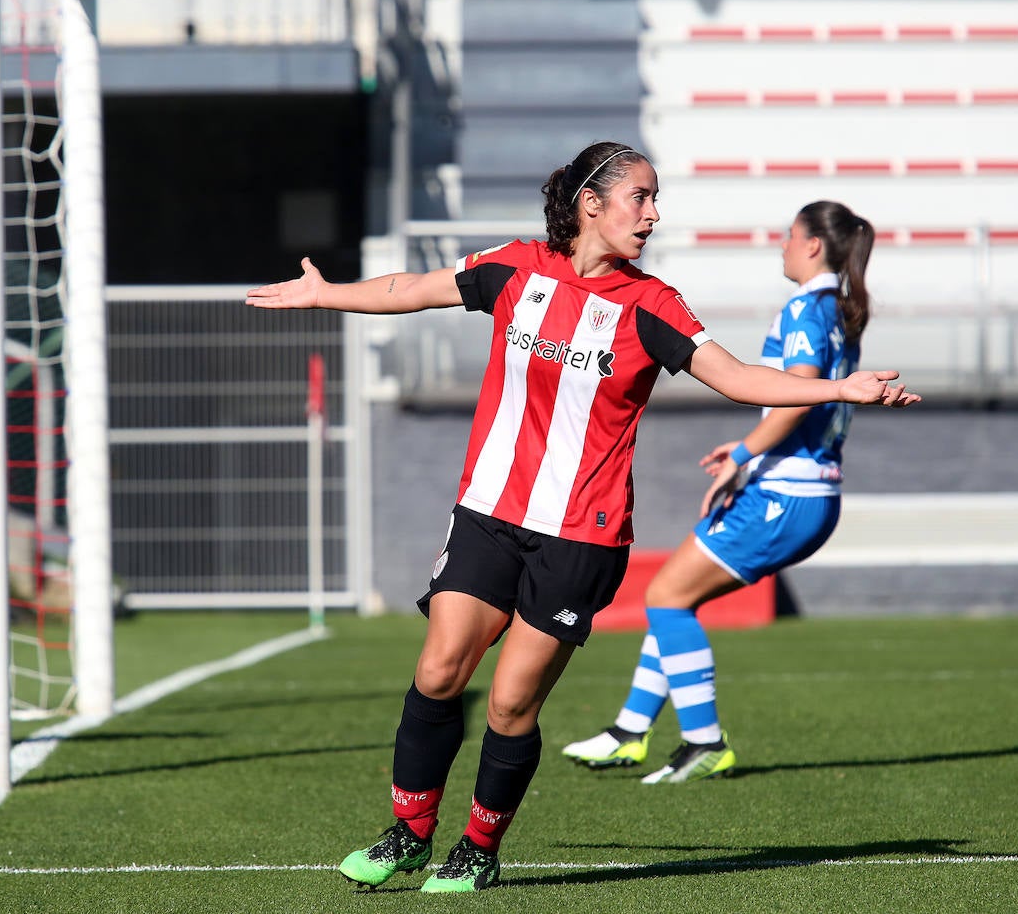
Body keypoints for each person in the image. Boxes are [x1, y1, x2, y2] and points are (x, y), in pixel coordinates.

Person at [246, 142, 919, 893]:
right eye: (641, 197)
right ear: (591, 204)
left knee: (510, 703)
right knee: (438, 672)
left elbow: (733, 377)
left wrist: (839, 389)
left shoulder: (653, 304)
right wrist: (326, 294)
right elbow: (414, 288)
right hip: (489, 511)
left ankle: (478, 848)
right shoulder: (514, 267)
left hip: (580, 534)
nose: (653, 214)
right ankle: (409, 832)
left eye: (656, 200)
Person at [561, 200, 878, 784]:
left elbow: (799, 397)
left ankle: (703, 741)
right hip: (802, 490)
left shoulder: (807, 308)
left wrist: (742, 454)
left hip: (785, 494)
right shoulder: (839, 309)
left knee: (666, 597)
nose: (783, 244)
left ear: (812, 245)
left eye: (790, 234)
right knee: (675, 596)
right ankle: (630, 730)